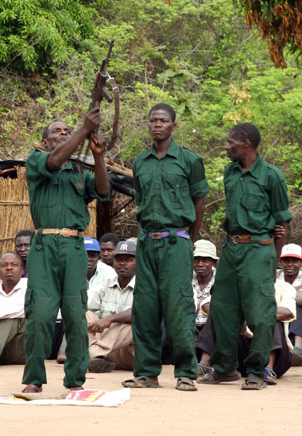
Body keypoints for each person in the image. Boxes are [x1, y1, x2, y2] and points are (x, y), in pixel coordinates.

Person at [22, 109, 110, 394]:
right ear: (45, 142)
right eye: (57, 132)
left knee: (75, 314)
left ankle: (75, 380)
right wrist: (83, 130)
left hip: (74, 246)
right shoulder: (37, 161)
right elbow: (54, 161)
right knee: (40, 314)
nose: (63, 133)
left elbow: (103, 189)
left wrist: (97, 156)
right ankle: (34, 378)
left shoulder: (78, 172)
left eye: (66, 130)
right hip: (44, 245)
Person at [199, 122, 291, 391]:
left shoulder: (272, 176)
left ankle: (256, 371)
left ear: (247, 144)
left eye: (231, 143)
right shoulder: (230, 172)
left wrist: (274, 260)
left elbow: (282, 222)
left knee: (260, 313)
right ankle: (225, 367)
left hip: (258, 249)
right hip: (231, 247)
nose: (226, 147)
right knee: (221, 308)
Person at [124, 103, 208, 392]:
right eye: (153, 120)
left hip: (177, 241)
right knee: (144, 307)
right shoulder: (140, 162)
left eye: (163, 120)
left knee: (179, 307)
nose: (157, 124)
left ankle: (186, 371)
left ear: (174, 126)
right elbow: (141, 199)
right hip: (146, 241)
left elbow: (199, 202)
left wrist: (189, 238)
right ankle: (147, 373)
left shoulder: (189, 160)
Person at [86, 240, 137, 373]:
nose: (122, 263)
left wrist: (110, 319)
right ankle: (96, 356)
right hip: (107, 354)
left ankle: (92, 353)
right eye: (118, 259)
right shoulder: (105, 285)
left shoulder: (145, 286)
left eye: (128, 260)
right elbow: (85, 306)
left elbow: (140, 313)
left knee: (132, 324)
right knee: (84, 314)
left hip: (131, 354)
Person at [192, 239, 217, 331]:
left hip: (211, 330)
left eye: (205, 260)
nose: (200, 264)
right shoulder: (184, 280)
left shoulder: (222, 282)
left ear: (214, 262)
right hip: (187, 328)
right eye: (196, 260)